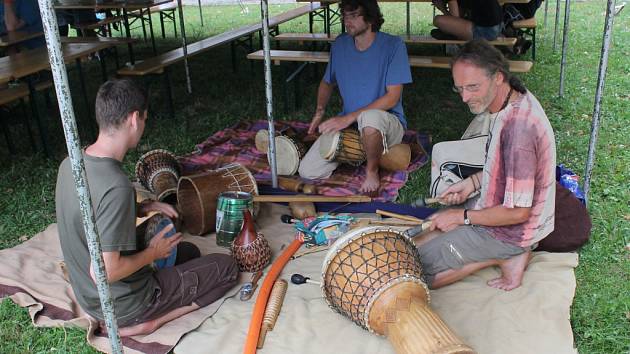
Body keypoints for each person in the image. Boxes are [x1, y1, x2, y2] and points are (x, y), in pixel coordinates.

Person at [55, 79, 239, 336]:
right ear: (133, 119)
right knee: (226, 267)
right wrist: (152, 253)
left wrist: (143, 208)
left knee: (188, 251)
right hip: (123, 304)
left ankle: (152, 289)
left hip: (87, 295)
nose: (143, 124)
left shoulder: (71, 163)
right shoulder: (116, 185)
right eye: (144, 118)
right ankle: (151, 322)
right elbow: (104, 272)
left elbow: (93, 215)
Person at [415, 39, 556, 291]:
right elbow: (502, 166)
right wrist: (471, 184)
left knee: (415, 270)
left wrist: (463, 216)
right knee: (428, 230)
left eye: (473, 87)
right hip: (496, 208)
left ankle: (505, 255)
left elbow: (518, 214)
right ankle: (496, 250)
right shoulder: (511, 99)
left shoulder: (519, 130)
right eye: (460, 89)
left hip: (512, 231)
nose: (465, 97)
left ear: (498, 77)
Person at [297, 0, 412, 194]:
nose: (346, 21)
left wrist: (348, 118)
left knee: (369, 118)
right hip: (351, 126)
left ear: (370, 17)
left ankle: (371, 170)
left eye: (353, 15)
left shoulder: (394, 45)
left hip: (387, 122)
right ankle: (365, 153)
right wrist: (319, 110)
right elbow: (327, 81)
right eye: (344, 15)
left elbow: (392, 98)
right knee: (308, 171)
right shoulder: (340, 44)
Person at [431, 0, 503, 41]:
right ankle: (451, 35)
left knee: (438, 20)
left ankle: (453, 36)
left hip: (486, 31)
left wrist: (442, 8)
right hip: (499, 27)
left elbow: (456, 21)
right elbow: (460, 14)